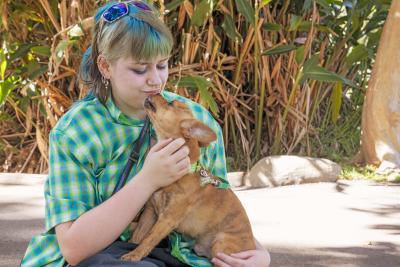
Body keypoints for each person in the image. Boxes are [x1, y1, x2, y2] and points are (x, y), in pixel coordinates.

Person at [21, 1, 271, 266]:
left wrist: (258, 254)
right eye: (140, 69)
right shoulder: (76, 132)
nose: (155, 80)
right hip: (100, 256)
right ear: (105, 67)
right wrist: (148, 180)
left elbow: (218, 203)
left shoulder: (195, 121)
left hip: (177, 254)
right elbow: (74, 249)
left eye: (162, 65)